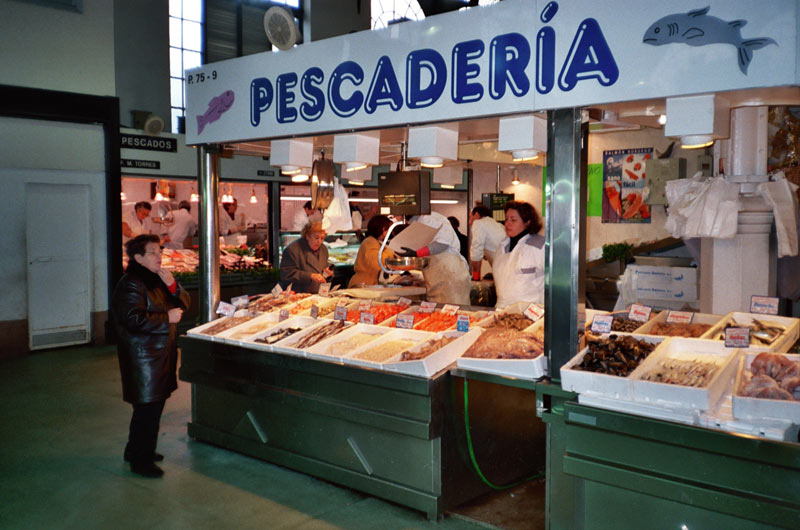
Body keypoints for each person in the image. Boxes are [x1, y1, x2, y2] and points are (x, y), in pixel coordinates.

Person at [111, 234, 190, 478]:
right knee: (148, 408)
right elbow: (132, 319)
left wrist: (173, 286)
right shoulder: (131, 283)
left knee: (151, 406)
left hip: (159, 354)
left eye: (159, 251)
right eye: (153, 252)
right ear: (138, 258)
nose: (159, 256)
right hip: (143, 357)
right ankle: (141, 460)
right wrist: (167, 318)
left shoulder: (157, 279)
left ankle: (136, 449)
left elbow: (184, 303)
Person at [398, 211, 471, 305]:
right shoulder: (416, 223)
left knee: (452, 313)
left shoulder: (429, 218)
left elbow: (442, 244)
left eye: (395, 214)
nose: (395, 217)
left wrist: (417, 253)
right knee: (437, 314)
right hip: (436, 278)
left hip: (449, 275)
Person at [492, 200, 545, 308]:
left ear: (528, 222)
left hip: (530, 314)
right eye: (506, 219)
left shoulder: (540, 246)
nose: (507, 223)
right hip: (502, 311)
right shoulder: (502, 246)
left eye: (513, 220)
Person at [279, 220, 333, 293]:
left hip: (318, 296)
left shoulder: (323, 249)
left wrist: (328, 273)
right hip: (298, 296)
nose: (319, 241)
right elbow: (287, 274)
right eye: (316, 238)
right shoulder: (292, 250)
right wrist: (310, 276)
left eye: (322, 238)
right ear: (307, 236)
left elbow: (323, 271)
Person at [349, 215, 395, 287]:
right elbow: (377, 263)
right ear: (383, 229)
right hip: (363, 284)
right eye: (389, 229)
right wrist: (390, 251)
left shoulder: (376, 242)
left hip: (369, 284)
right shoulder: (370, 242)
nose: (391, 231)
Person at [469, 204, 507, 280]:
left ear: (476, 215)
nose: (469, 222)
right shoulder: (498, 225)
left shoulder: (478, 223)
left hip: (503, 272)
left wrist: (476, 278)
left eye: (470, 217)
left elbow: (476, 251)